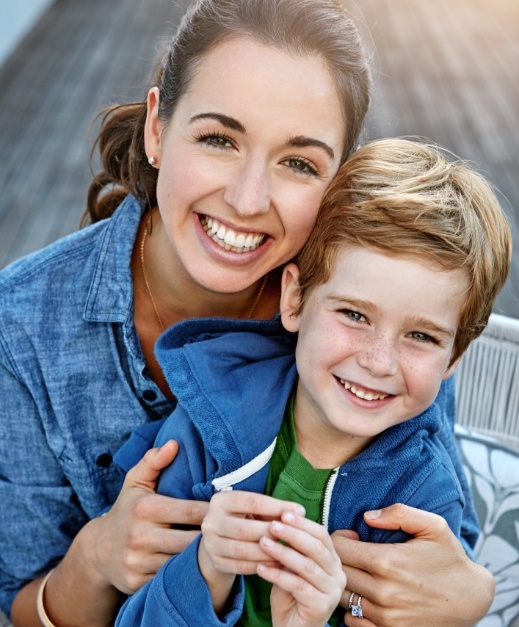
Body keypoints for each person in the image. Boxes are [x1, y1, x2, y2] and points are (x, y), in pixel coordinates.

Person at [0, 0, 494, 625]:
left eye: (299, 162)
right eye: (217, 138)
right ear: (157, 129)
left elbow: (446, 549)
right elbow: (16, 602)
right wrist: (94, 560)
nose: (247, 198)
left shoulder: (380, 314)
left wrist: (471, 593)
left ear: (340, 176)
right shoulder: (21, 326)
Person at [112, 137, 512, 626]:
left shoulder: (422, 504)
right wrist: (206, 569)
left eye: (421, 336)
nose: (379, 361)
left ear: (455, 359)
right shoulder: (210, 419)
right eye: (353, 314)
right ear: (295, 300)